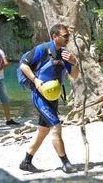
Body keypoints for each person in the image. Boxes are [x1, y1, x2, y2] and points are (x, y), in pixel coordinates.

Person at [18, 24, 79, 173]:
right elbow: (23, 66)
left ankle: (26, 162)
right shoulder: (42, 49)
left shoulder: (65, 54)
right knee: (56, 127)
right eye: (65, 36)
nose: (68, 39)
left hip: (54, 97)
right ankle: (66, 163)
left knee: (43, 131)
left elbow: (75, 75)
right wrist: (35, 80)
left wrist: (74, 62)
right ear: (54, 37)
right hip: (40, 96)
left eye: (68, 36)